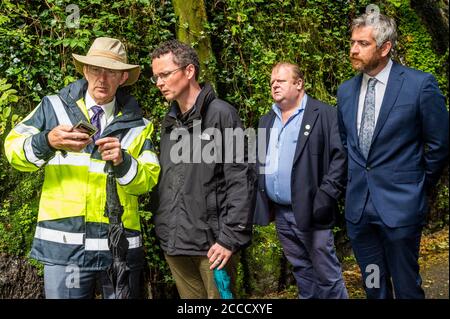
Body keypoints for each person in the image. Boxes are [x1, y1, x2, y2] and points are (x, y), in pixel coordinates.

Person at [4, 37, 160, 298]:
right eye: (96, 69)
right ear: (85, 70)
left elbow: (148, 181)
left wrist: (124, 163)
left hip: (119, 248)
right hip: (65, 247)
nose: (102, 78)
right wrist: (47, 141)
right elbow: (13, 151)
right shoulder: (53, 107)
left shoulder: (139, 125)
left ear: (122, 77)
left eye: (111, 71)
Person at [337, 13, 448, 299]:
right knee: (374, 285)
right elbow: (345, 145)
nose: (353, 50)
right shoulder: (346, 92)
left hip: (400, 210)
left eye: (363, 43)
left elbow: (439, 145)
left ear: (385, 48)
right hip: (360, 215)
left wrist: (418, 187)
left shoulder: (419, 85)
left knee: (407, 286)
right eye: (352, 42)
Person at [150, 39, 254, 299]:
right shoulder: (169, 121)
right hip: (175, 242)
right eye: (155, 77)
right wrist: (163, 228)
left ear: (188, 71)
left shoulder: (221, 114)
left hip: (213, 246)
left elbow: (241, 180)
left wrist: (230, 237)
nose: (159, 83)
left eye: (165, 75)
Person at [253, 62, 348, 299]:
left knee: (326, 273)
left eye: (281, 81)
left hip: (312, 211)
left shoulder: (324, 114)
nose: (274, 85)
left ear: (298, 84)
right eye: (272, 81)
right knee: (302, 271)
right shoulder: (267, 120)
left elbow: (341, 159)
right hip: (282, 214)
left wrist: (324, 197)